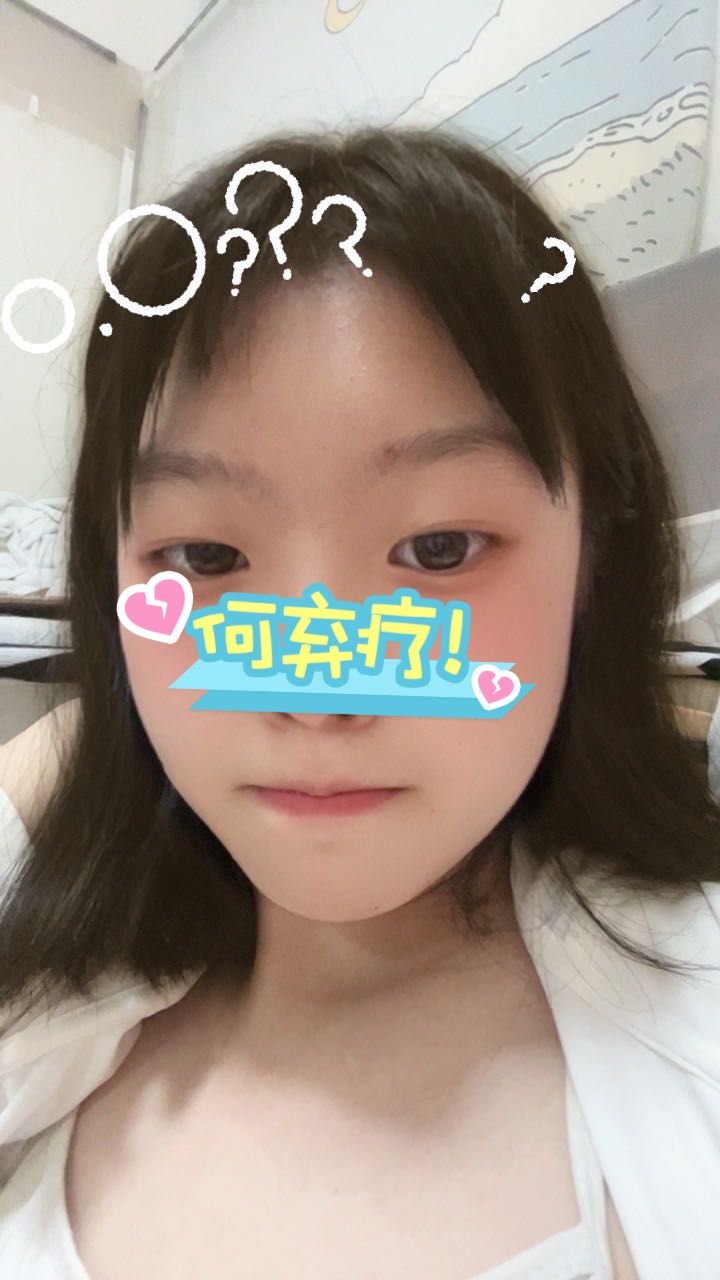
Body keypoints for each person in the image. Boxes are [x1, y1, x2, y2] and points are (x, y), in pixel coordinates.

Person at [1, 124, 719, 1280]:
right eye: (207, 555)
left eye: (439, 548)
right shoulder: (56, 979)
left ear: (596, 554)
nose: (317, 687)